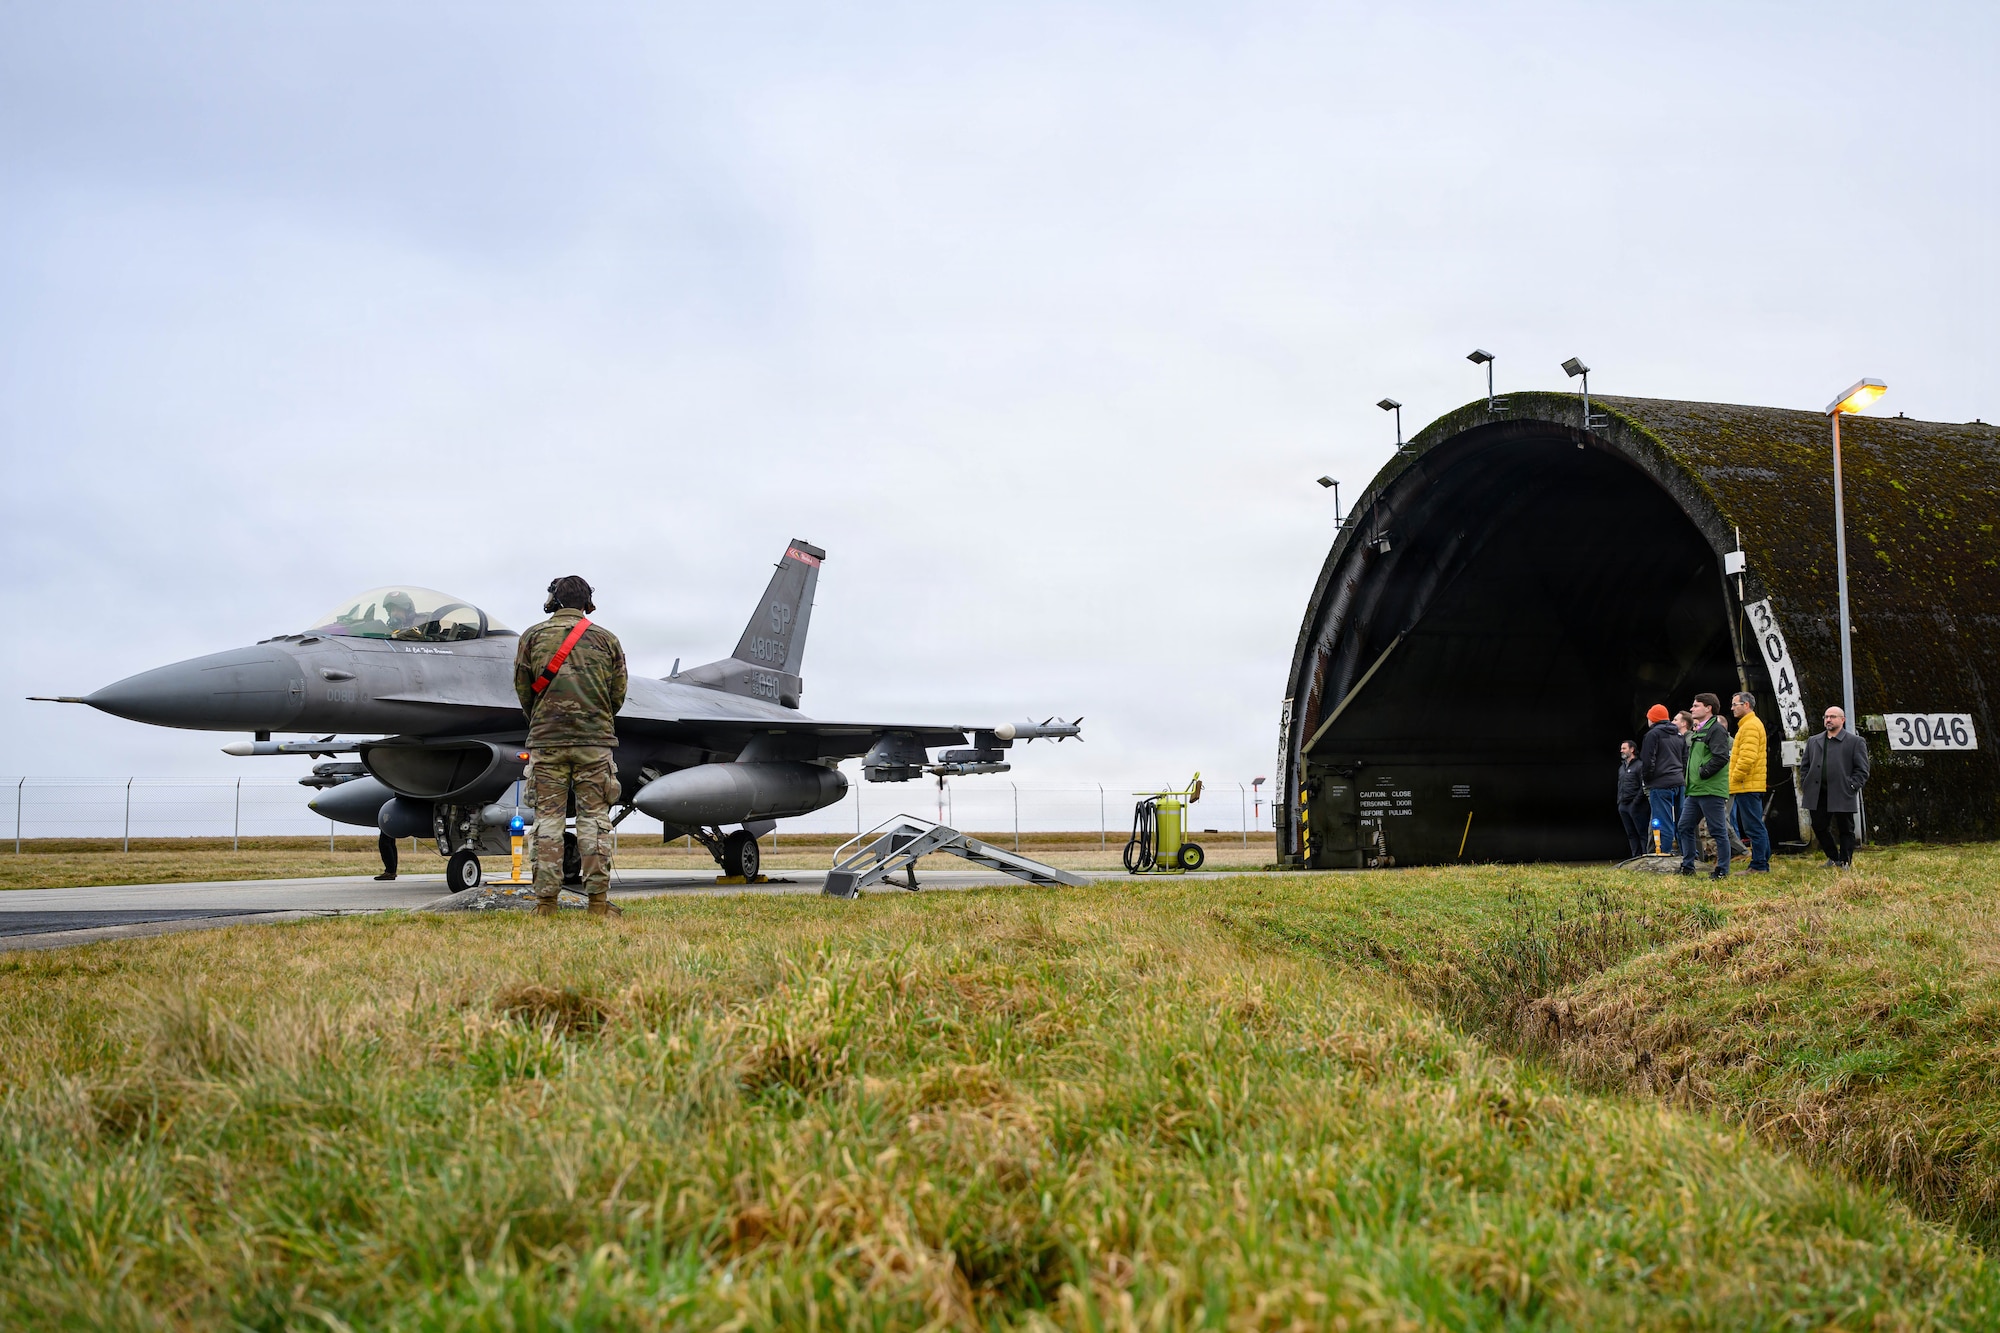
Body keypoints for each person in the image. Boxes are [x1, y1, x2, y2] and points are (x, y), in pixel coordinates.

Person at [513, 575, 628, 917]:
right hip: (594, 744)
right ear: (587, 602)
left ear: (553, 600)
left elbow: (523, 689)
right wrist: (594, 720)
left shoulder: (532, 637)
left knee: (547, 820)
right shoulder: (607, 640)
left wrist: (544, 720)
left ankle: (546, 904)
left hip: (547, 744)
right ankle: (597, 904)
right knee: (594, 819)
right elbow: (618, 693)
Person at [1802, 704, 1871, 868]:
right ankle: (1833, 857)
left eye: (1832, 717)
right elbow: (1805, 765)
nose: (1828, 720)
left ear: (1842, 720)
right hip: (1818, 793)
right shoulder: (1814, 741)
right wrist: (1806, 783)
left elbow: (1862, 769)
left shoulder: (1855, 742)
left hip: (1842, 791)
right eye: (1826, 717)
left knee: (1846, 828)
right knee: (1818, 826)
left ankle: (1845, 860)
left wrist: (1852, 786)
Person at [1677, 692, 1733, 878]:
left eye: (1696, 705)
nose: (1692, 708)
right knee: (1684, 826)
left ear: (1708, 708)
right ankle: (1688, 866)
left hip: (1710, 789)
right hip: (1695, 791)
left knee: (1717, 830)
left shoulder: (1715, 729)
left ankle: (1722, 870)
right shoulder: (1699, 730)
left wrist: (1703, 772)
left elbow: (1721, 757)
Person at [1729, 690, 1771, 873]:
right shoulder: (1749, 725)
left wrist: (1734, 779)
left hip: (1747, 784)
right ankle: (1762, 859)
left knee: (1753, 827)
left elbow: (1747, 758)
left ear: (1746, 705)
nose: (1732, 708)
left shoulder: (1750, 726)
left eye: (1735, 704)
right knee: (1756, 825)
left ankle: (1759, 865)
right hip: (1750, 784)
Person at [1637, 704, 1686, 855]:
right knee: (1681, 821)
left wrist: (1648, 780)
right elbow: (1685, 760)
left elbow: (1647, 760)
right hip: (1679, 783)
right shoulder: (1678, 735)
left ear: (1653, 719)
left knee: (1663, 820)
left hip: (1661, 785)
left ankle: (1665, 853)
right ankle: (1687, 853)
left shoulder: (1653, 735)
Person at [1616, 739, 1648, 858]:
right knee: (1631, 833)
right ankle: (1635, 857)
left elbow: (1643, 785)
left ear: (1632, 749)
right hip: (1623, 805)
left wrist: (1636, 802)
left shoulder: (1640, 765)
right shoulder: (1622, 767)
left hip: (1637, 805)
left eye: (1624, 748)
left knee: (1642, 832)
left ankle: (1645, 856)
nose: (1621, 751)